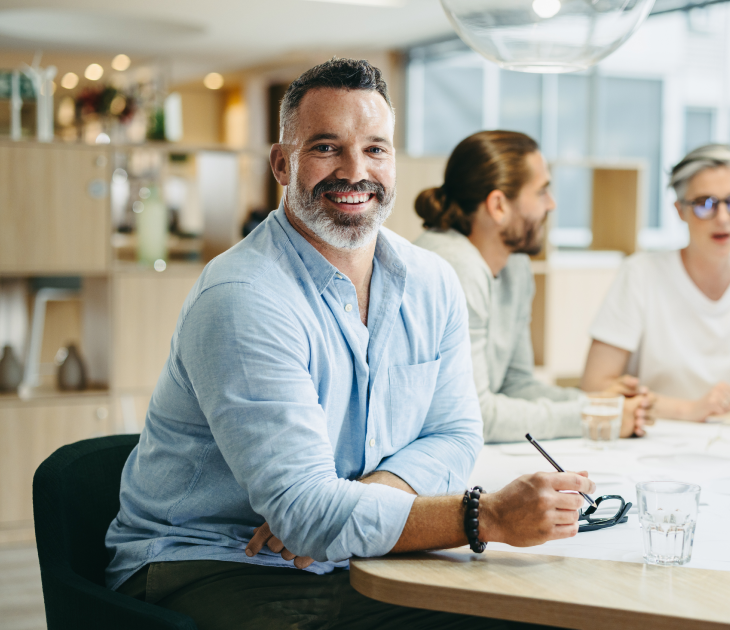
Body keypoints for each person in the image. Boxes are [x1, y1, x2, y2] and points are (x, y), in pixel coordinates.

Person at [105, 59, 595, 630]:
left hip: (349, 553)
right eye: (325, 147)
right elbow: (309, 519)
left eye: (376, 150)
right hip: (213, 562)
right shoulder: (243, 297)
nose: (355, 171)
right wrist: (484, 516)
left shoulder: (432, 281)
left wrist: (363, 497)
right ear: (282, 164)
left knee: (530, 615)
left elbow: (456, 434)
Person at [414, 130, 653, 443]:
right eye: (542, 192)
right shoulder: (455, 266)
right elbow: (476, 414)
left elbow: (516, 384)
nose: (551, 204)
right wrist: (589, 416)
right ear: (498, 205)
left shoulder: (514, 264)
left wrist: (598, 405)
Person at [582, 143, 730, 422]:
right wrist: (689, 410)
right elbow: (594, 387)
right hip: (655, 442)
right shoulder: (641, 275)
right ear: (680, 210)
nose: (722, 218)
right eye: (704, 204)